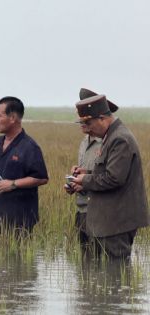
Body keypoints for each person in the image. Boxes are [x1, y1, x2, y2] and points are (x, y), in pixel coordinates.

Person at [69, 94, 149, 259]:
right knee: (100, 275)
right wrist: (87, 174)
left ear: (103, 118)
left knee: (114, 273)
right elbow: (109, 172)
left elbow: (114, 178)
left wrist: (84, 180)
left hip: (116, 223)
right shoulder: (109, 136)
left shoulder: (120, 139)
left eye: (89, 123)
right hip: (107, 221)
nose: (87, 129)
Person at [0, 97, 48, 238]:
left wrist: (13, 184)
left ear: (13, 118)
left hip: (20, 219)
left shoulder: (29, 146)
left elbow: (41, 178)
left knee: (20, 258)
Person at [65, 88, 118, 249]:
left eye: (86, 121)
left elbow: (111, 176)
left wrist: (85, 178)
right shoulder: (84, 142)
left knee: (102, 259)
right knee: (85, 264)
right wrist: (75, 180)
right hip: (81, 209)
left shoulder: (110, 141)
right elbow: (89, 172)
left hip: (100, 211)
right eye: (81, 121)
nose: (82, 124)